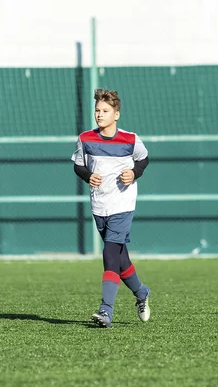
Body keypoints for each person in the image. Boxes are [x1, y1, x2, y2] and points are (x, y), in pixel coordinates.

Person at [71, 88, 151, 328]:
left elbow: (144, 159)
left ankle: (105, 311)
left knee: (109, 254)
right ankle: (141, 292)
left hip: (122, 204)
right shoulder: (85, 139)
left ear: (116, 114)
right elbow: (78, 166)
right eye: (97, 110)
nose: (99, 114)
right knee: (120, 257)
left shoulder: (130, 139)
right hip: (99, 205)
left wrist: (134, 173)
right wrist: (88, 176)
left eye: (105, 111)